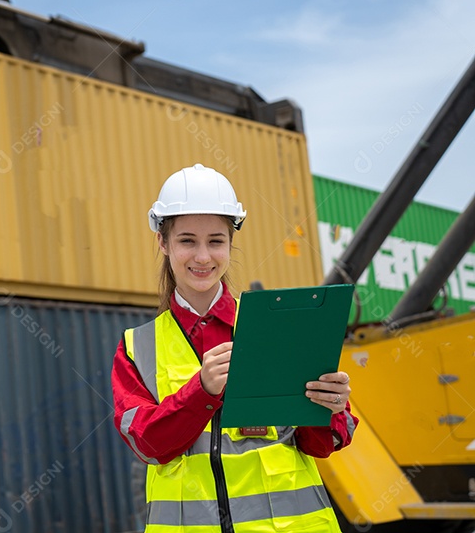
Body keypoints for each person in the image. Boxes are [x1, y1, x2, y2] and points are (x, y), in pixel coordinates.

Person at [111, 164, 358, 533]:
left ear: (230, 243)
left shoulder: (277, 328)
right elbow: (148, 445)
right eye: (187, 240)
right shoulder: (137, 347)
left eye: (216, 241)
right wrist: (201, 392)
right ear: (163, 243)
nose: (203, 257)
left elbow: (319, 444)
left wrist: (332, 407)